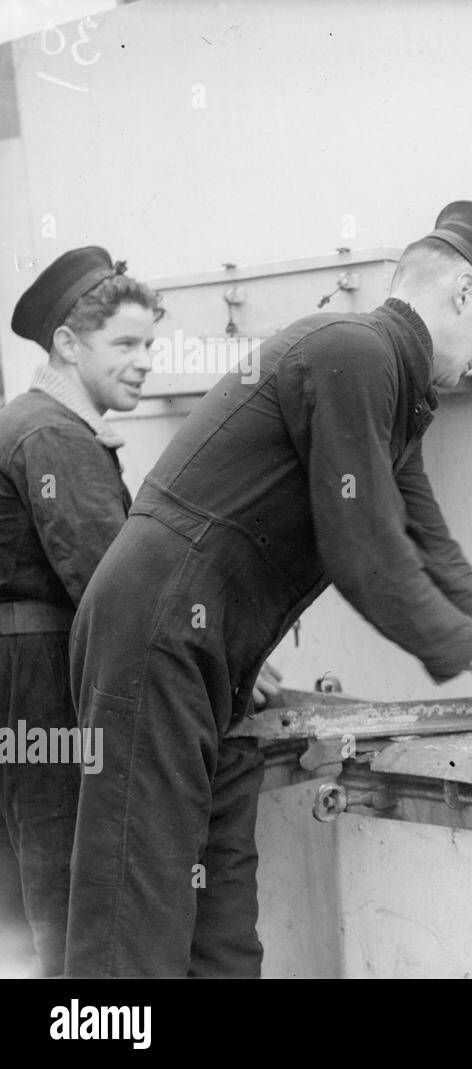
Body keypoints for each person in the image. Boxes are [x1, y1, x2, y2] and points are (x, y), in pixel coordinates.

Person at [65, 201, 472, 977]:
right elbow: (363, 551)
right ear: (462, 292)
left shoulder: (390, 392)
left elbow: (433, 556)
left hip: (219, 663)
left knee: (220, 922)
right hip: (155, 640)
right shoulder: (352, 352)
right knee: (133, 923)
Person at [0, 248, 158, 975]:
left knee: (25, 891)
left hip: (19, 680)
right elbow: (110, 583)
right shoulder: (56, 433)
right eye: (125, 343)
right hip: (45, 681)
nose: (145, 361)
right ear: (67, 344)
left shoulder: (29, 422)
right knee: (69, 883)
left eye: (149, 343)